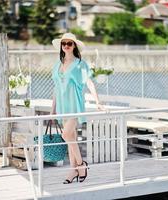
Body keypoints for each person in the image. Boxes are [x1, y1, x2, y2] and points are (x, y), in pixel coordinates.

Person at [51, 33, 103, 184]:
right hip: (62, 106)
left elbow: (89, 82)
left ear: (74, 46)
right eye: (64, 43)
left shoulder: (80, 64)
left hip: (74, 104)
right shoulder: (57, 64)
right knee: (71, 138)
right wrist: (52, 109)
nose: (66, 46)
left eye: (69, 43)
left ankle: (81, 165)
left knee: (66, 135)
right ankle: (73, 170)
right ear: (61, 46)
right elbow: (56, 88)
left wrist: (98, 101)